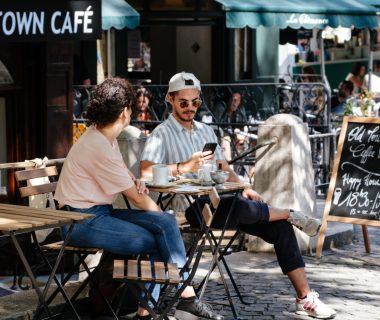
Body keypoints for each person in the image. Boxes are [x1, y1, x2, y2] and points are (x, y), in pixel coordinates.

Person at [140, 72, 337, 320]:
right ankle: (288, 212)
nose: (190, 108)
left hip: (220, 204)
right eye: (184, 103)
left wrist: (244, 186)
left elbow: (223, 168)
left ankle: (305, 298)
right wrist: (183, 167)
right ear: (170, 99)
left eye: (195, 102)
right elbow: (145, 172)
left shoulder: (205, 130)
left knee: (279, 228)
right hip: (185, 211)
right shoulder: (161, 134)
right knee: (240, 207)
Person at [54, 77, 223, 320]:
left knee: (165, 224)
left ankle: (155, 308)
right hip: (80, 222)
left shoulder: (103, 137)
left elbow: (125, 179)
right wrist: (147, 202)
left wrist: (136, 185)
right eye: (131, 108)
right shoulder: (98, 145)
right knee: (159, 236)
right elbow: (137, 199)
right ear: (124, 112)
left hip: (98, 213)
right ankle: (179, 299)